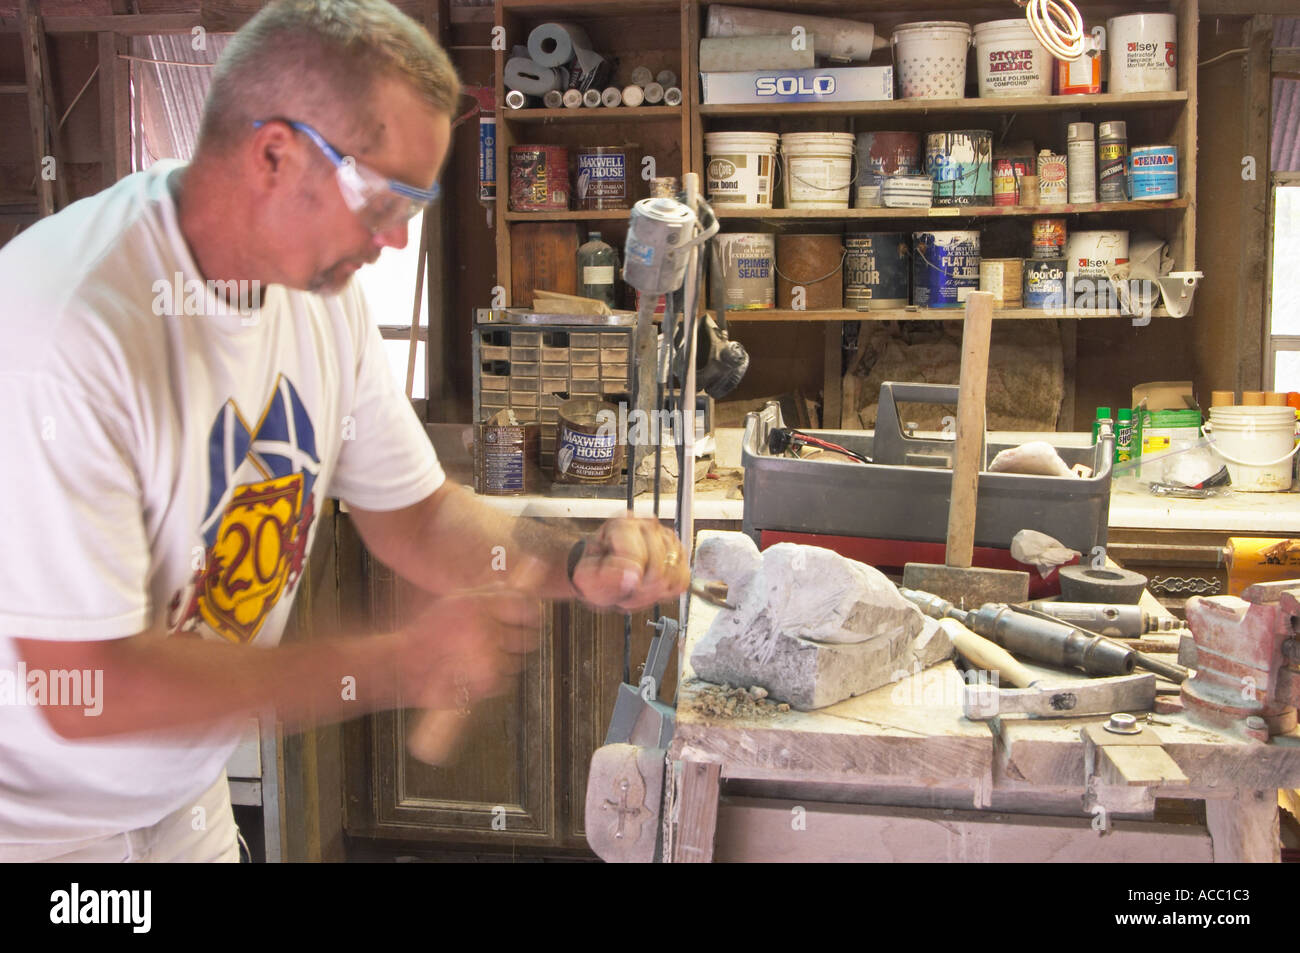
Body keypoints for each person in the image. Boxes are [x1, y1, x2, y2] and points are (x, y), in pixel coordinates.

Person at [0, 0, 688, 862]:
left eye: (417, 202)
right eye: (385, 197)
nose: (400, 240)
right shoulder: (66, 329)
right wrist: (394, 665)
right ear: (276, 153)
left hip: (182, 804)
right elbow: (84, 688)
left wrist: (576, 563)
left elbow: (418, 517)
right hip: (36, 832)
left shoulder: (321, 303)